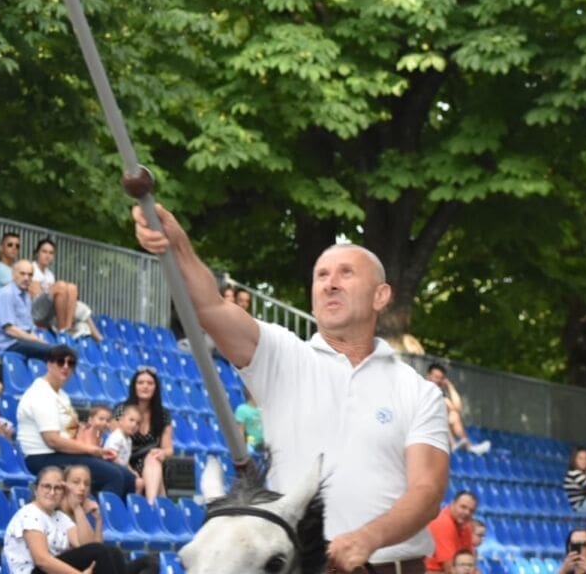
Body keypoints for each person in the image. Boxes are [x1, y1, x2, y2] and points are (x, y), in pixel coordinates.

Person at [133, 203, 450, 572]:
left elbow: (427, 493)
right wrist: (179, 246)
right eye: (321, 275)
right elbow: (210, 307)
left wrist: (368, 538)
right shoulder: (281, 356)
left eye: (346, 273)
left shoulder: (419, 391)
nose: (330, 283)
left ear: (380, 296)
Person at [16, 344, 135, 497]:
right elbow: (52, 440)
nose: (66, 366)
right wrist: (91, 450)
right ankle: (100, 512)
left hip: (62, 454)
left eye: (70, 363)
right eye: (60, 362)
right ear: (49, 364)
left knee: (127, 477)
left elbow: (71, 433)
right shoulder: (41, 394)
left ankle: (110, 511)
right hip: (41, 458)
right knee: (113, 476)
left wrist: (94, 449)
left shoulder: (62, 395)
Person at [4, 466, 157, 574]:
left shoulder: (59, 517)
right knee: (101, 552)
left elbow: (87, 547)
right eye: (46, 486)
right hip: (35, 572)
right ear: (36, 489)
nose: (52, 492)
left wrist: (79, 509)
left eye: (58, 488)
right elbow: (41, 560)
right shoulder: (30, 514)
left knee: (119, 554)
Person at [0, 259, 60, 361]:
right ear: (13, 275)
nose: (26, 278)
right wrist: (35, 340)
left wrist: (38, 340)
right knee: (57, 353)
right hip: (9, 343)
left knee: (61, 351)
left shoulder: (25, 296)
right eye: (22, 274)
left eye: (30, 275)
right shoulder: (7, 294)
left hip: (21, 340)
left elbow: (27, 327)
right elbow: (10, 330)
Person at [123, 367, 173, 503]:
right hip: (126, 460)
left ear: (156, 388)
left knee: (153, 457)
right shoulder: (122, 409)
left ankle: (151, 504)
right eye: (140, 382)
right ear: (134, 386)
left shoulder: (163, 414)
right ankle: (157, 505)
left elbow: (169, 449)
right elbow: (116, 440)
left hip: (152, 460)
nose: (145, 386)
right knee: (155, 468)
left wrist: (162, 453)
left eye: (150, 383)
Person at [425, 363, 491, 455]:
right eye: (436, 377)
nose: (438, 381)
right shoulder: (423, 390)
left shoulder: (440, 394)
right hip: (425, 426)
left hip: (438, 427)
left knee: (454, 415)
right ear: (428, 376)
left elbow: (457, 408)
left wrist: (450, 385)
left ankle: (468, 446)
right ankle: (456, 445)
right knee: (443, 414)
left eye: (441, 378)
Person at [30, 237, 85, 338]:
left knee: (72, 287)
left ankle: (67, 328)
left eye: (51, 253)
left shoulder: (50, 275)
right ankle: (62, 328)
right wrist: (54, 289)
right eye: (44, 252)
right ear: (37, 253)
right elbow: (35, 295)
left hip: (48, 310)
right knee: (61, 285)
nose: (47, 255)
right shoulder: (31, 268)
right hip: (34, 310)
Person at [424, 491, 477, 572]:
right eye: (463, 507)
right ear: (452, 504)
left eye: (471, 511)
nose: (467, 512)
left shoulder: (466, 526)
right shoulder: (442, 522)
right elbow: (450, 568)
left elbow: (469, 562)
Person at [104, 404, 145, 495]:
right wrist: (128, 471)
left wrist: (132, 471)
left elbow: (125, 461)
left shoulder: (128, 440)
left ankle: (132, 500)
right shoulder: (117, 436)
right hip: (112, 467)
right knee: (137, 482)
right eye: (131, 420)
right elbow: (111, 456)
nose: (134, 425)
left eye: (138, 423)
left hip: (121, 469)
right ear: (121, 420)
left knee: (139, 482)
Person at [64, 465, 104, 541]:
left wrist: (98, 520)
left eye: (87, 484)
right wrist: (77, 508)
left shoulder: (84, 511)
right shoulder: (57, 512)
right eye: (76, 482)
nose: (83, 488)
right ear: (64, 484)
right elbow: (87, 546)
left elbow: (96, 547)